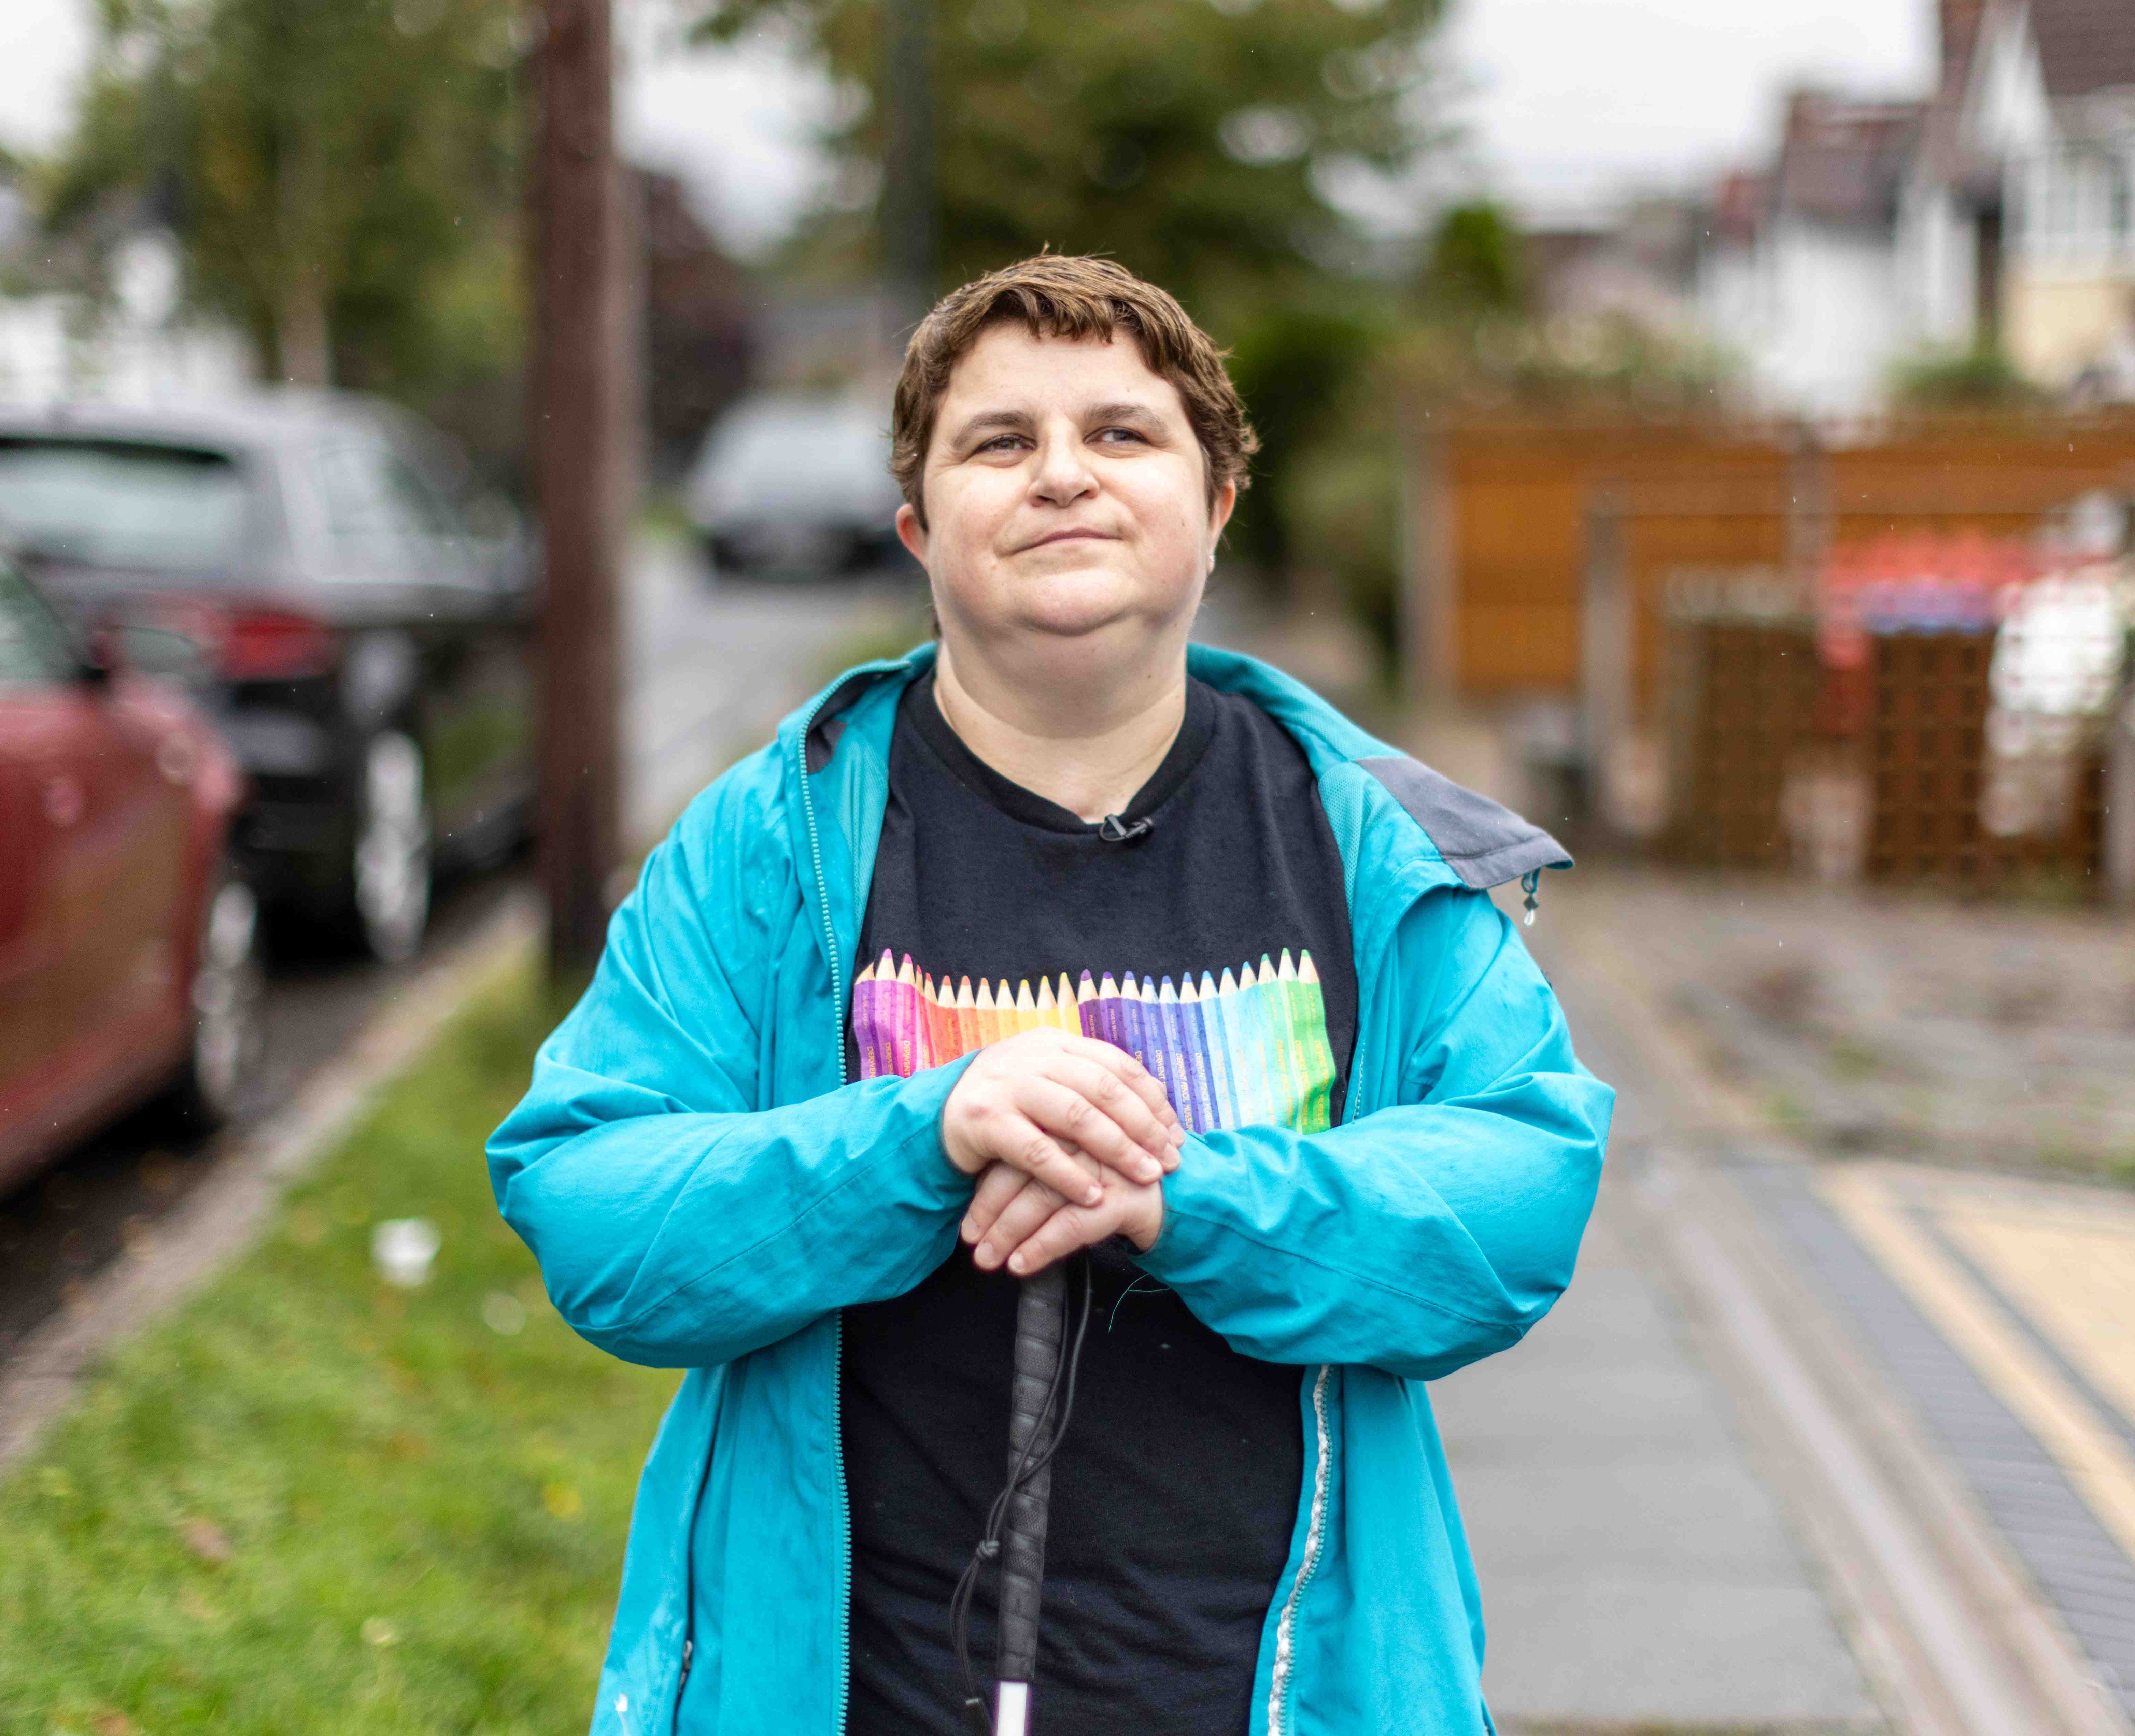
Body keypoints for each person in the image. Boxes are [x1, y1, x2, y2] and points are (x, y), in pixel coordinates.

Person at [487, 254, 1614, 1736]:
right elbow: (594, 1208)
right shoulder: (769, 838)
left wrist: (1179, 1195)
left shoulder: (1374, 841)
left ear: (1217, 506)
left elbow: (1516, 1197)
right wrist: (920, 1137)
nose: (1062, 475)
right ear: (917, 527)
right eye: (999, 442)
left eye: (1121, 433)